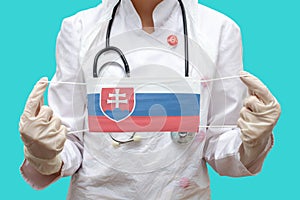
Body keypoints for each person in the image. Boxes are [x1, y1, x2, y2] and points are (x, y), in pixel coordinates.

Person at [19, 0, 281, 199]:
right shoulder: (78, 29)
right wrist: (44, 151)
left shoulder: (219, 30)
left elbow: (220, 149)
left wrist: (252, 141)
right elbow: (71, 144)